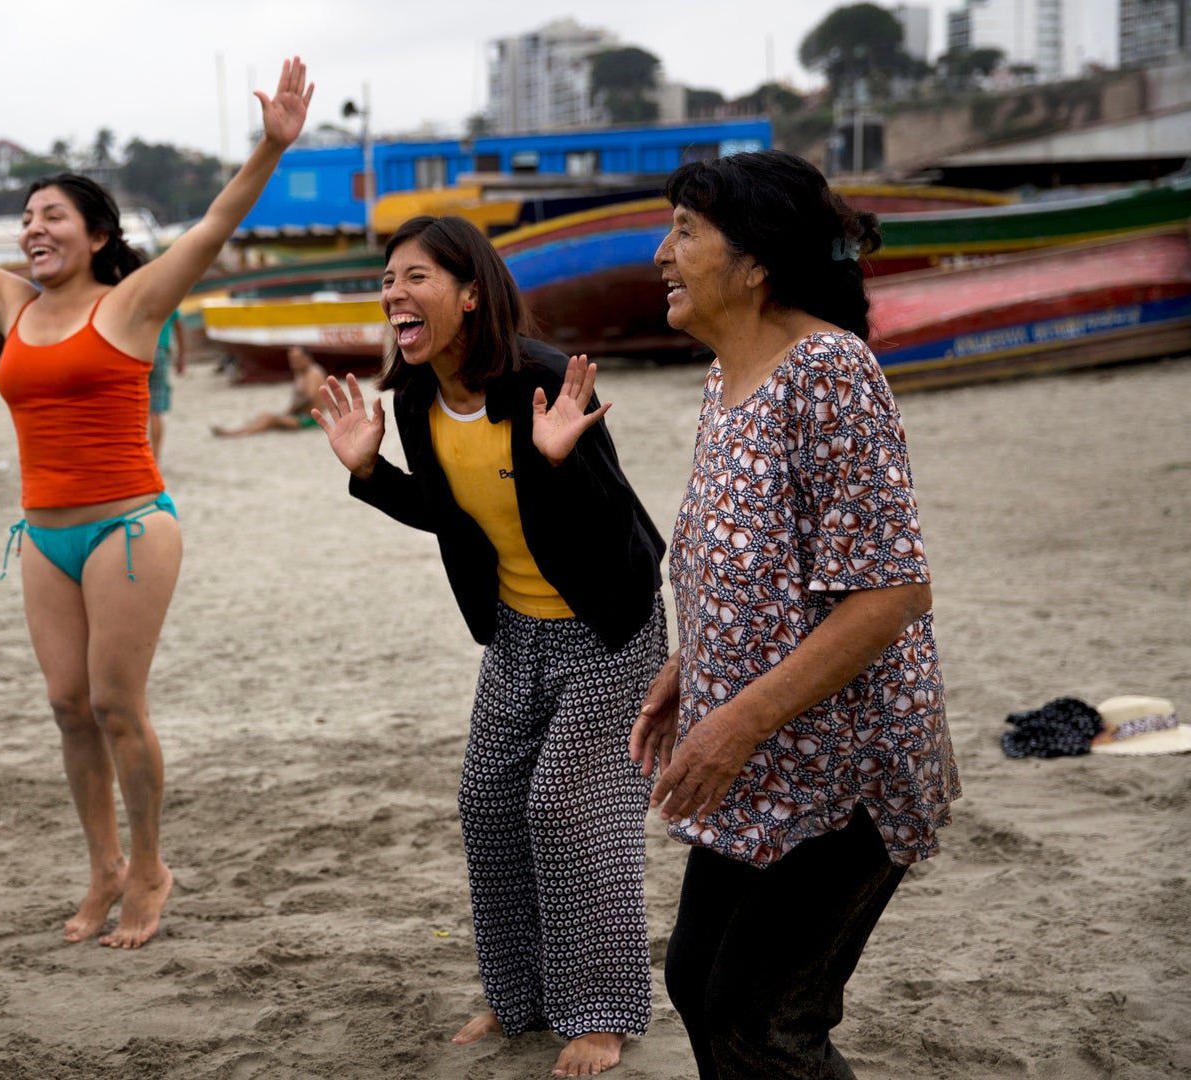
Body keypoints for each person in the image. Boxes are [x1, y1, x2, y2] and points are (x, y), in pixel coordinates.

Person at [0, 58, 312, 948]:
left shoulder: (131, 304)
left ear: (96, 235)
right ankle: (103, 868)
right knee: (67, 707)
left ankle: (150, 867)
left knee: (117, 703)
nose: (32, 230)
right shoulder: (11, 305)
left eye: (52, 216)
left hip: (129, 528)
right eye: (27, 218)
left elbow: (215, 223)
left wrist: (271, 147)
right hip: (43, 536)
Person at [629, 149, 960, 1080]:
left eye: (686, 232)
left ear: (757, 262)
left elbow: (893, 592)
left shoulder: (828, 371)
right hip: (764, 761)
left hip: (844, 768)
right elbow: (763, 564)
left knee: (761, 1019)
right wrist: (692, 667)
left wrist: (735, 720)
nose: (661, 253)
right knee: (696, 980)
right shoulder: (728, 377)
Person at [314, 216, 668, 1078]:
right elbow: (452, 515)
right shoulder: (415, 400)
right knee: (488, 803)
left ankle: (602, 1012)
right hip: (515, 633)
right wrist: (370, 473)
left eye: (417, 276)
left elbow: (616, 524)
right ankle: (523, 999)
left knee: (567, 810)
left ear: (470, 293)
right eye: (388, 279)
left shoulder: (542, 381)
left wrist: (560, 461)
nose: (395, 293)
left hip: (608, 629)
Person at [211, 345, 326, 437]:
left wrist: (291, 410)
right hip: (299, 415)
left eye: (297, 360)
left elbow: (310, 397)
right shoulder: (301, 373)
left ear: (307, 358)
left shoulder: (313, 373)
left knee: (269, 418)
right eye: (292, 360)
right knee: (264, 416)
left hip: (310, 420)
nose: (294, 363)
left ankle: (235, 433)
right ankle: (239, 430)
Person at [146, 311, 184, 462]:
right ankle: (155, 459)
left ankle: (139, 456)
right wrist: (181, 356)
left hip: (138, 351)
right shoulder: (167, 301)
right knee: (155, 410)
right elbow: (179, 326)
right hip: (160, 352)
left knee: (134, 409)